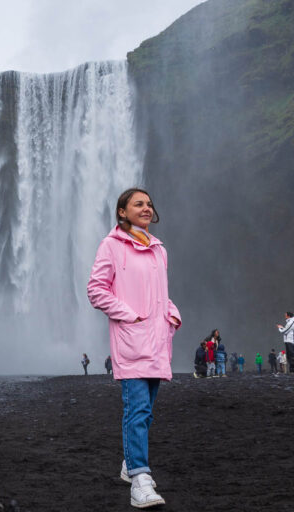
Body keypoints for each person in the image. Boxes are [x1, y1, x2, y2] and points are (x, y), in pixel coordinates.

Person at [87, 187, 180, 508]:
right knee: (137, 409)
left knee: (146, 411)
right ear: (122, 212)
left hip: (157, 340)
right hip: (131, 339)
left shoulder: (159, 249)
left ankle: (130, 462)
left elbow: (159, 293)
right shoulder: (111, 246)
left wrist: (171, 313)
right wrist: (129, 315)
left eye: (149, 204)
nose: (146, 208)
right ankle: (140, 480)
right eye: (138, 203)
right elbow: (96, 290)